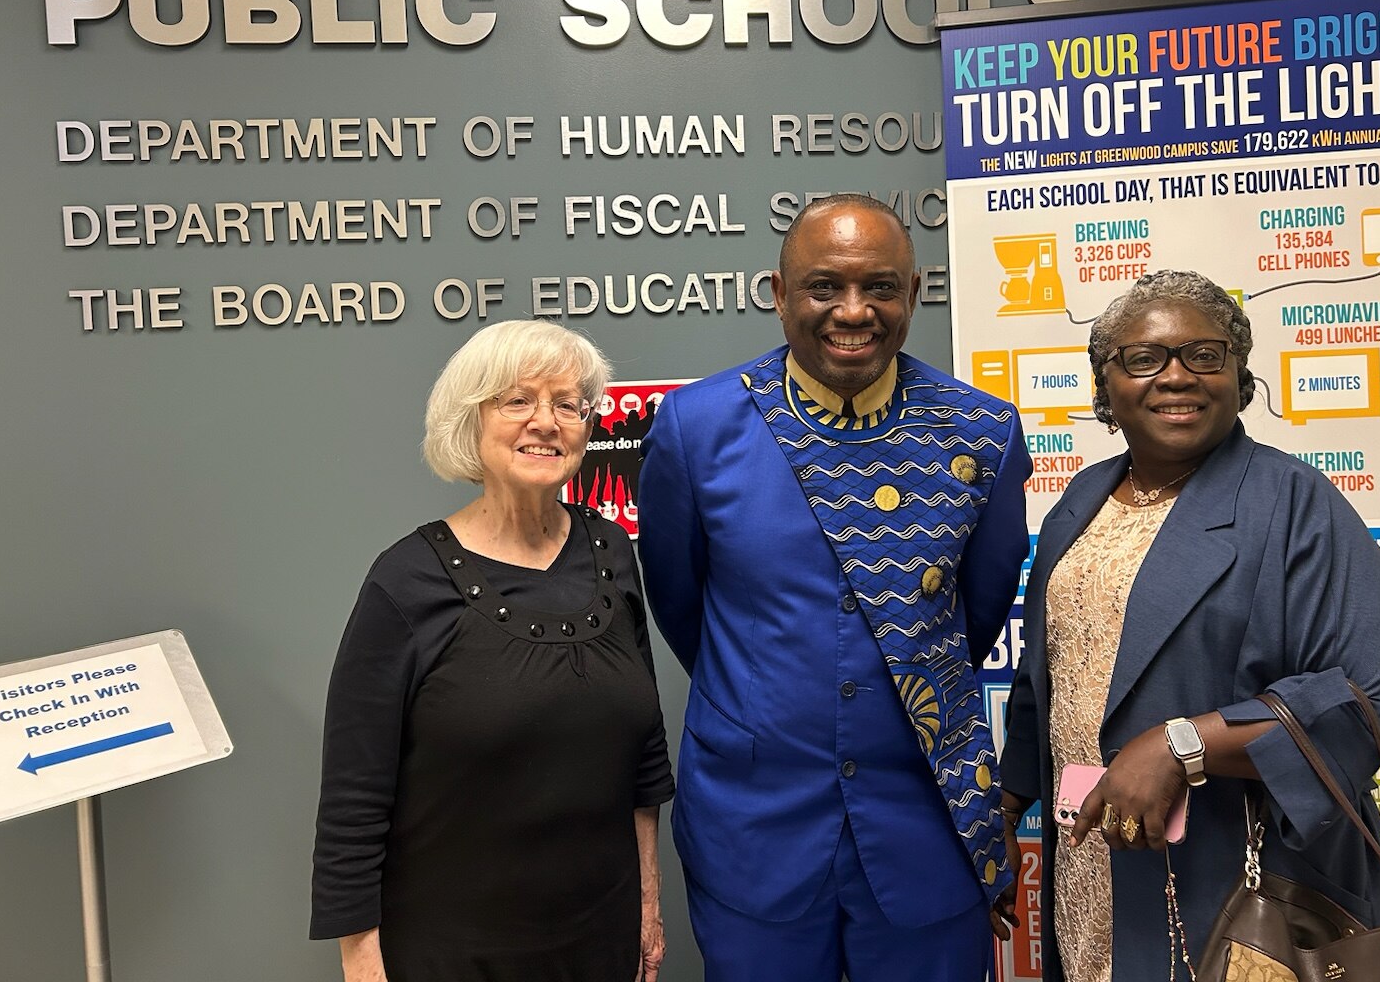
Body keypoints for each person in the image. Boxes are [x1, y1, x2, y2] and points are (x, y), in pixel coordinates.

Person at [637, 195, 1031, 981]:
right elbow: (682, 606)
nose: (854, 311)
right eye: (824, 287)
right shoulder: (696, 427)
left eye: (881, 287)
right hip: (755, 827)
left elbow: (973, 615)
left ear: (914, 293)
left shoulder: (982, 433)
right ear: (779, 295)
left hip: (927, 825)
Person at [993, 270, 1380, 982]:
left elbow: (1373, 702)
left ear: (1238, 372)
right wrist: (1006, 811)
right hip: (1091, 872)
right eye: (1144, 357)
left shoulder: (1293, 503)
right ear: (1106, 387)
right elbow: (1051, 679)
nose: (1176, 376)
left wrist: (1183, 745)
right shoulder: (1081, 500)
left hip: (1232, 886)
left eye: (1204, 354)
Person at [310, 321, 675, 982]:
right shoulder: (406, 582)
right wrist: (361, 965)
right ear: (470, 420)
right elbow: (352, 801)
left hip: (600, 938)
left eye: (568, 404)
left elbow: (644, 755)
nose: (546, 422)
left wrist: (649, 907)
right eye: (516, 401)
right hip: (454, 951)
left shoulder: (611, 553)